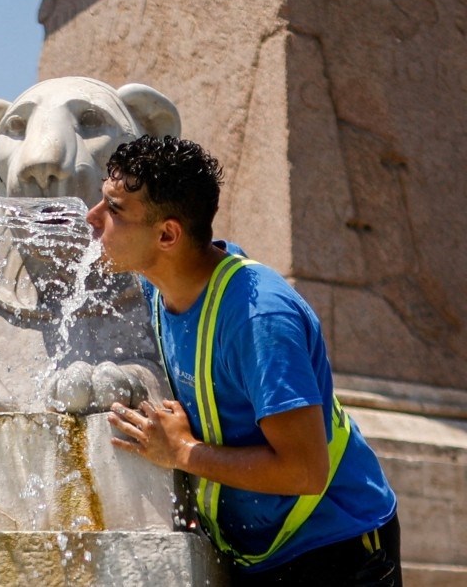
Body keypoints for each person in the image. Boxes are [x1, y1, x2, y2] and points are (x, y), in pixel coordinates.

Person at [86, 135, 401, 585]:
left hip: (337, 550)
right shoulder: (160, 287)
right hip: (256, 555)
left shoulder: (259, 319)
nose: (92, 217)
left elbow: (305, 471)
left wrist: (182, 452)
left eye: (114, 210)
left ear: (167, 235)